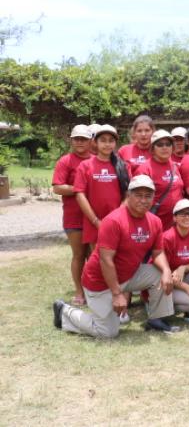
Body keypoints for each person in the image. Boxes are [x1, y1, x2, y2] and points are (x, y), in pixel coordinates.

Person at [53, 175, 178, 337]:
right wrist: (117, 294)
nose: (144, 200)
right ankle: (65, 311)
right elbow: (106, 260)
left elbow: (158, 252)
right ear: (128, 196)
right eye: (138, 195)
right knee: (107, 332)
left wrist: (167, 270)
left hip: (128, 275)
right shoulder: (113, 221)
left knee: (160, 273)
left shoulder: (154, 221)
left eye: (148, 196)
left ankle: (157, 320)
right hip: (100, 282)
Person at [52, 124, 94, 305]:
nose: (80, 142)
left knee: (94, 256)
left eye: (83, 139)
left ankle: (94, 291)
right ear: (71, 140)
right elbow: (57, 187)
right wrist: (80, 189)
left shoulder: (96, 159)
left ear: (91, 141)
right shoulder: (65, 161)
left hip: (94, 216)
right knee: (78, 255)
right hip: (74, 216)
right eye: (76, 138)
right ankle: (79, 292)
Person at [74, 125, 130, 247]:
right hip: (94, 222)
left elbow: (128, 194)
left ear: (115, 143)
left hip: (118, 221)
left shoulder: (123, 166)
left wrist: (116, 218)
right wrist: (96, 221)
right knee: (97, 259)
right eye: (103, 140)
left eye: (111, 140)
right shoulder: (85, 166)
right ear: (95, 142)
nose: (107, 144)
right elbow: (79, 194)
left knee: (118, 259)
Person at [136, 130, 185, 230]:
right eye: (160, 144)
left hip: (176, 225)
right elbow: (138, 200)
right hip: (154, 224)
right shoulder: (145, 169)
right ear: (152, 149)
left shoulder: (175, 166)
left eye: (168, 144)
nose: (165, 147)